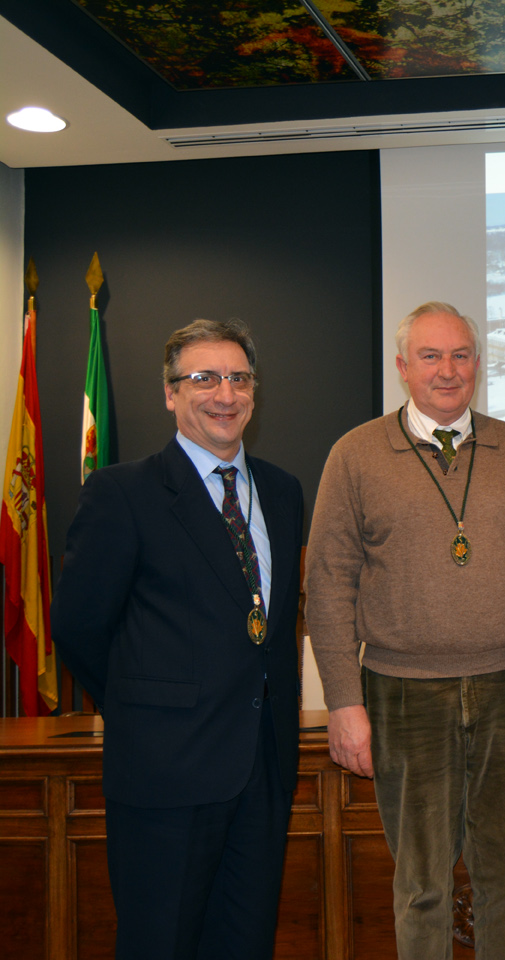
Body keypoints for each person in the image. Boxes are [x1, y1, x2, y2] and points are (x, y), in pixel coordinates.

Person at [306, 301, 505, 960]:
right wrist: (342, 701)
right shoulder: (355, 455)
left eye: (459, 356)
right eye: (430, 356)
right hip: (400, 692)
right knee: (421, 884)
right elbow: (328, 586)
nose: (447, 371)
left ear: (476, 364)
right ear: (402, 367)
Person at [51, 319, 303, 960]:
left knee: (245, 944)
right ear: (170, 394)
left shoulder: (281, 490)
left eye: (238, 378)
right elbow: (79, 627)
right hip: (164, 773)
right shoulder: (121, 493)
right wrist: (146, 712)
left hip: (262, 772)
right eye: (203, 378)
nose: (225, 393)